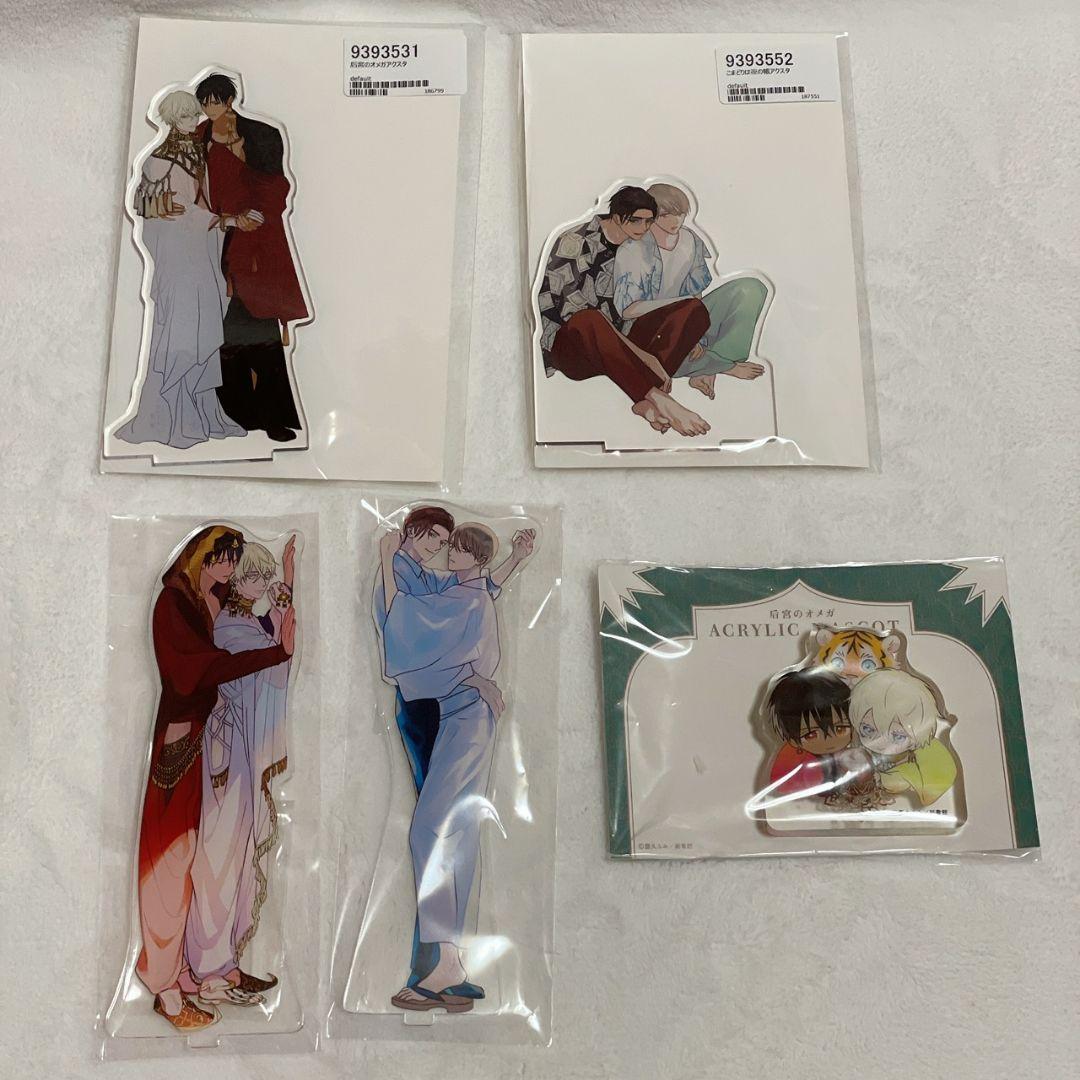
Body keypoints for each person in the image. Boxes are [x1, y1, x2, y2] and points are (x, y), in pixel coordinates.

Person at [135, 526, 296, 1030]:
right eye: (220, 558)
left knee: (200, 859)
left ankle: (190, 972)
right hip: (181, 745)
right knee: (170, 861)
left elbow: (252, 628)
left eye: (232, 559)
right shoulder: (174, 604)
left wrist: (287, 590)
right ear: (200, 557)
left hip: (208, 744)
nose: (226, 568)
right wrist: (275, 653)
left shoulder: (214, 603)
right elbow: (197, 672)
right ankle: (164, 987)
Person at [374, 512, 535, 1012]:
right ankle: (450, 964)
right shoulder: (453, 585)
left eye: (455, 546)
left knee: (434, 828)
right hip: (446, 708)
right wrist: (516, 560)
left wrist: (474, 678)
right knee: (450, 830)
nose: (447, 552)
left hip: (459, 712)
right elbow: (450, 602)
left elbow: (413, 620)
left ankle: (445, 962)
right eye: (442, 542)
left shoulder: (457, 592)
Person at [184, 537, 296, 1007]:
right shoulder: (227, 626)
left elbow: (276, 654)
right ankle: (208, 970)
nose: (259, 583)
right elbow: (267, 663)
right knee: (218, 856)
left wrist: (286, 588)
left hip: (242, 751)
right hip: (225, 753)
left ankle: (226, 962)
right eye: (253, 575)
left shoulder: (248, 620)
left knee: (239, 854)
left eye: (262, 576)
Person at [116, 90, 245, 449]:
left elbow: (196, 205)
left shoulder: (196, 154)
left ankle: (202, 412)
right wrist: (222, 220)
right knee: (181, 324)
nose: (194, 121)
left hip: (200, 253)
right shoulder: (157, 160)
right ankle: (170, 416)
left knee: (202, 321)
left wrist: (216, 220)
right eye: (187, 116)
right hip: (177, 258)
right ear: (173, 119)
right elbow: (165, 211)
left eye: (194, 115)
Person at [537, 186, 712, 437]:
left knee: (694, 310)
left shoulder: (640, 245)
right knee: (589, 320)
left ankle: (644, 402)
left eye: (649, 221)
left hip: (622, 352)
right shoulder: (575, 241)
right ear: (618, 217)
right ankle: (657, 398)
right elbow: (572, 316)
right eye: (637, 220)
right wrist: (645, 357)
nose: (644, 227)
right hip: (574, 350)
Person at [196, 73, 309, 442]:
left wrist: (253, 214)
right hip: (215, 238)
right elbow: (195, 190)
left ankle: (267, 416)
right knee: (227, 331)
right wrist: (226, 219)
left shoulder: (261, 133)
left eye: (215, 101)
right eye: (204, 103)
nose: (210, 109)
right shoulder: (198, 137)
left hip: (259, 241)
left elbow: (279, 186)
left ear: (229, 100)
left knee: (258, 326)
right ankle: (239, 413)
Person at [613, 182, 768, 401]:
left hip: (689, 315)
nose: (675, 221)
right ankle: (722, 366)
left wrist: (696, 333)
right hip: (650, 332)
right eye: (666, 215)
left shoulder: (690, 240)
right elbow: (628, 311)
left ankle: (707, 369)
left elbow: (696, 294)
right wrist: (682, 307)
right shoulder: (633, 249)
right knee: (681, 323)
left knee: (750, 289)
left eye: (680, 214)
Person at [764, 667, 876, 806]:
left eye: (840, 729)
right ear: (792, 740)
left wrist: (862, 774)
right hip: (802, 805)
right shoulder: (798, 761)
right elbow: (790, 789)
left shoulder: (851, 754)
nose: (829, 740)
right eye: (811, 735)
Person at [849, 669, 959, 806]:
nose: (880, 742)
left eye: (898, 736)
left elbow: (936, 783)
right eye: (868, 729)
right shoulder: (855, 748)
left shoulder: (931, 753)